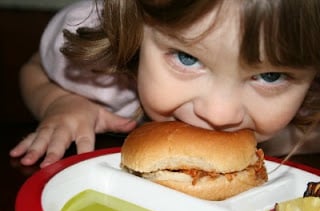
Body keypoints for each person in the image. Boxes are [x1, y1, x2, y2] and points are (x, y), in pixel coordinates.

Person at [10, 0, 320, 168]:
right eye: (187, 58)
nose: (220, 113)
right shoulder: (99, 68)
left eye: (270, 76)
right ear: (135, 29)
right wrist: (61, 102)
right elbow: (33, 68)